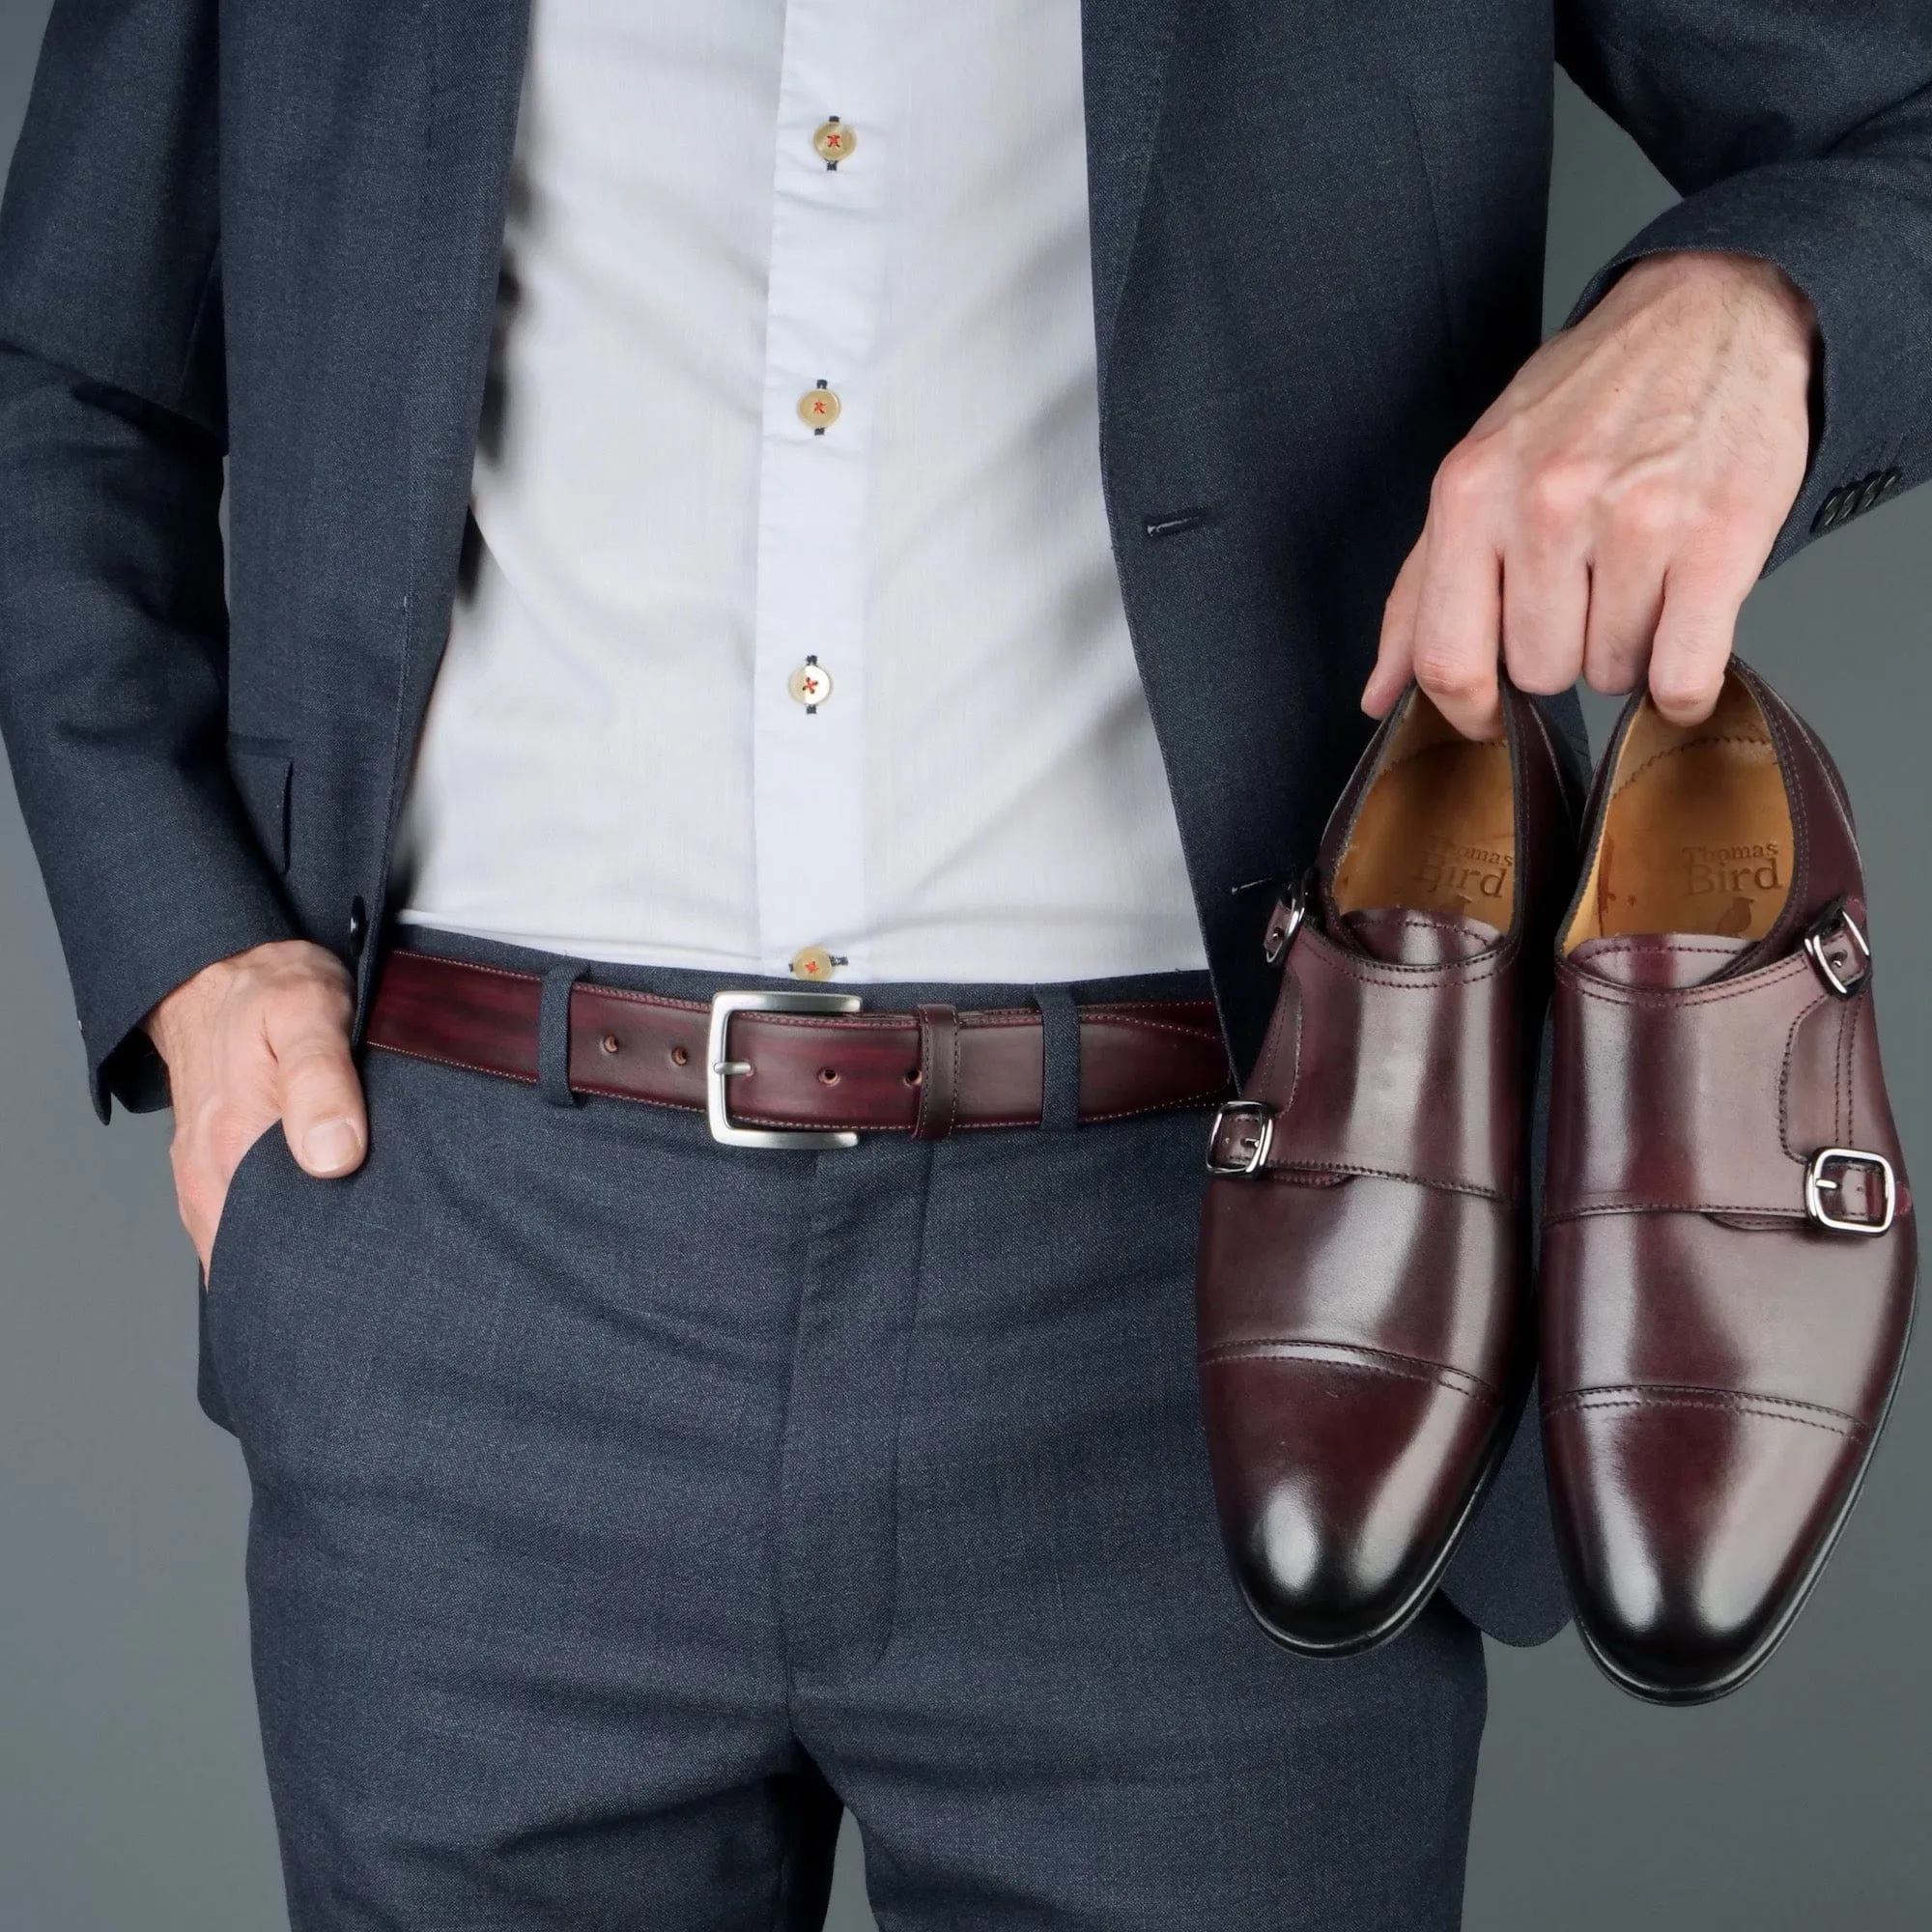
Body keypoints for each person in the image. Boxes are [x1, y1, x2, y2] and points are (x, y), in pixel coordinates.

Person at [0, 3, 1924, 1926]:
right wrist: (185, 945)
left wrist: (1762, 311)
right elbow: (62, 380)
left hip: (1258, 1315)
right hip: (474, 1289)